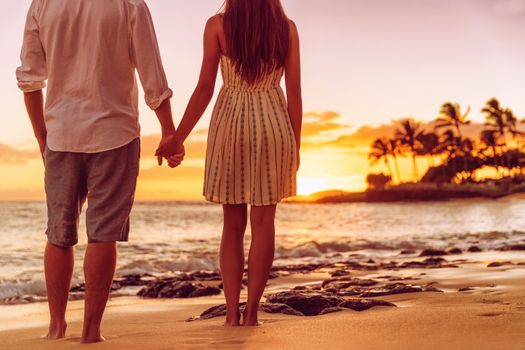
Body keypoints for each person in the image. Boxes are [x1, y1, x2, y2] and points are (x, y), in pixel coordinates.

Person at [16, 0, 183, 343]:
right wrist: (169, 131)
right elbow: (152, 72)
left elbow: (30, 79)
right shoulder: (129, 4)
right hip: (115, 134)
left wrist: (42, 136)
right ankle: (91, 331)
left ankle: (56, 326)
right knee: (103, 234)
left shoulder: (43, 4)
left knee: (58, 235)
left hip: (61, 135)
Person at [169, 0, 302, 326]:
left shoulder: (217, 25)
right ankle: (251, 313)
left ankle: (230, 313)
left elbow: (204, 88)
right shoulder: (286, 29)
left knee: (232, 225)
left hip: (231, 125)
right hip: (274, 126)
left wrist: (177, 137)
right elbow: (295, 93)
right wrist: (295, 147)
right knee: (263, 223)